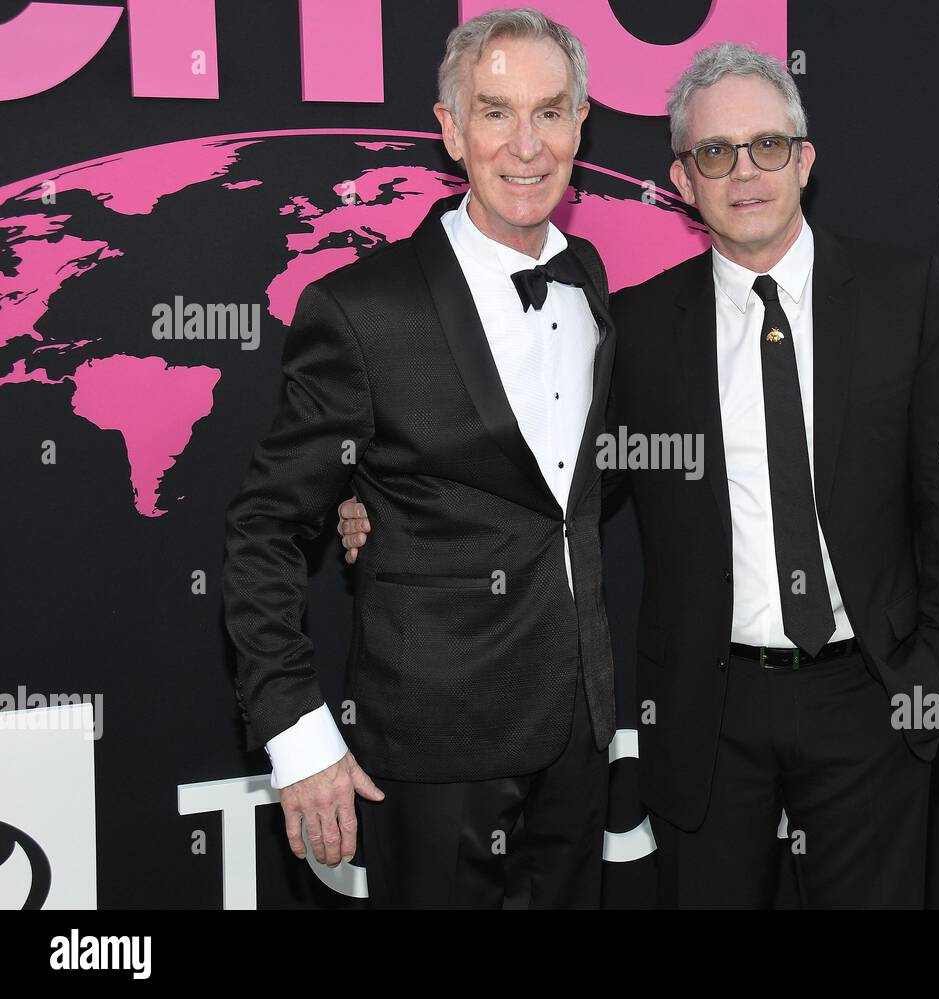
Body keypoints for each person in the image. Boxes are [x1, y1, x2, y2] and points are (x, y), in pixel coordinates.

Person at [340, 42, 939, 908]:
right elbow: (560, 487)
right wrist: (382, 499)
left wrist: (925, 690)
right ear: (683, 182)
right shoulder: (640, 325)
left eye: (766, 146)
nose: (744, 172)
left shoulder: (902, 294)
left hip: (869, 701)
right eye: (714, 153)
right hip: (704, 716)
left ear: (804, 160)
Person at [223, 7, 616, 908]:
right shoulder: (363, 310)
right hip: (435, 749)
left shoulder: (589, 278)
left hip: (579, 730)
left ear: (581, 123)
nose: (527, 145)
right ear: (449, 129)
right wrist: (299, 733)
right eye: (494, 111)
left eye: (551, 112)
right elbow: (265, 529)